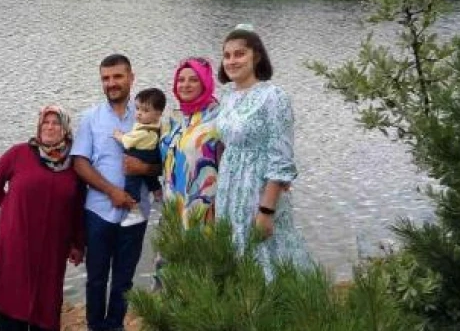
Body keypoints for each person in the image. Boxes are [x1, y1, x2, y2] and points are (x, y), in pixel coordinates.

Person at [0, 106, 86, 331]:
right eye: (45, 123)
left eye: (56, 123)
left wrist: (77, 243)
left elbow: (77, 207)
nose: (50, 127)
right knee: (13, 288)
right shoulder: (20, 153)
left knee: (48, 290)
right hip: (16, 237)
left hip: (53, 241)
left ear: (66, 129)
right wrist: (9, 210)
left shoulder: (74, 164)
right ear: (39, 128)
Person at [214, 25, 312, 280]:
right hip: (230, 190)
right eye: (227, 55)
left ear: (256, 56)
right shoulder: (228, 97)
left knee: (267, 256)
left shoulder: (274, 97)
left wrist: (266, 210)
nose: (232, 61)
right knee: (237, 258)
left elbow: (281, 157)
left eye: (239, 54)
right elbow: (229, 142)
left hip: (258, 191)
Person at [72, 54, 153, 331]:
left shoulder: (147, 116)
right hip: (99, 210)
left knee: (124, 275)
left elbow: (161, 162)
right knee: (96, 275)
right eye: (106, 78)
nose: (112, 83)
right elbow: (80, 163)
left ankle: (116, 325)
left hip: (136, 210)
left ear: (131, 77)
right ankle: (94, 328)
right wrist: (111, 191)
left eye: (118, 77)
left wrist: (145, 169)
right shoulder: (91, 117)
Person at [160, 57, 222, 229]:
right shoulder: (175, 118)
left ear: (205, 83)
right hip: (172, 207)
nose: (185, 85)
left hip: (203, 211)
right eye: (181, 80)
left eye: (194, 80)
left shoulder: (218, 119)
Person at [113, 87, 167, 227]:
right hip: (152, 155)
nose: (139, 114)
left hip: (142, 156)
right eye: (137, 109)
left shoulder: (143, 131)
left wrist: (118, 135)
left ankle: (135, 210)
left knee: (132, 180)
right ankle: (158, 194)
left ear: (158, 114)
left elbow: (128, 141)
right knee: (150, 178)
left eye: (145, 111)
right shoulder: (157, 126)